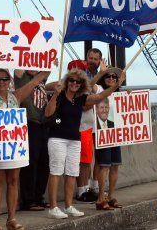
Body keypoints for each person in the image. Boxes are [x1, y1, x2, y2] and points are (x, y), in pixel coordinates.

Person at [0, 46, 51, 230]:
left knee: (13, 182)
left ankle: (11, 219)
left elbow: (36, 80)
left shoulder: (16, 96)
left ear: (9, 80)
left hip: (13, 147)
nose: (1, 82)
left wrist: (49, 58)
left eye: (4, 79)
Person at [44, 66, 125, 219]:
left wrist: (116, 85)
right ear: (67, 82)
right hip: (57, 139)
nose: (75, 83)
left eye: (78, 81)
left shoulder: (81, 99)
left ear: (81, 84)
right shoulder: (59, 96)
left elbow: (101, 95)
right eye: (72, 81)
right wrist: (55, 94)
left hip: (75, 140)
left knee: (72, 173)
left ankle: (68, 206)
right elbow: (48, 112)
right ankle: (53, 207)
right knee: (56, 172)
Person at [15, 62, 58, 212]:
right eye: (29, 64)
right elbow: (18, 64)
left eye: (36, 64)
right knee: (30, 163)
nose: (33, 67)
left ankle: (39, 197)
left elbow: (47, 68)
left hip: (43, 125)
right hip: (28, 124)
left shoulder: (41, 80)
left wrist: (50, 61)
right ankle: (28, 200)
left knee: (44, 163)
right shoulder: (21, 77)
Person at [94, 67, 124, 210]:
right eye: (108, 76)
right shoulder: (98, 88)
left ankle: (111, 196)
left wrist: (128, 94)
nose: (111, 79)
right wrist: (100, 73)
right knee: (104, 165)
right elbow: (88, 86)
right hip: (102, 132)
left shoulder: (119, 92)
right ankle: (101, 198)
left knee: (115, 165)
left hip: (115, 132)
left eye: (114, 77)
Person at [76, 48, 103, 203]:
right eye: (90, 58)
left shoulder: (104, 76)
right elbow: (86, 89)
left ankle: (95, 187)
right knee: (85, 159)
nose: (92, 61)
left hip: (100, 123)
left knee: (99, 157)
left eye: (95, 58)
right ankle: (82, 190)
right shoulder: (81, 74)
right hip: (84, 123)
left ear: (100, 61)